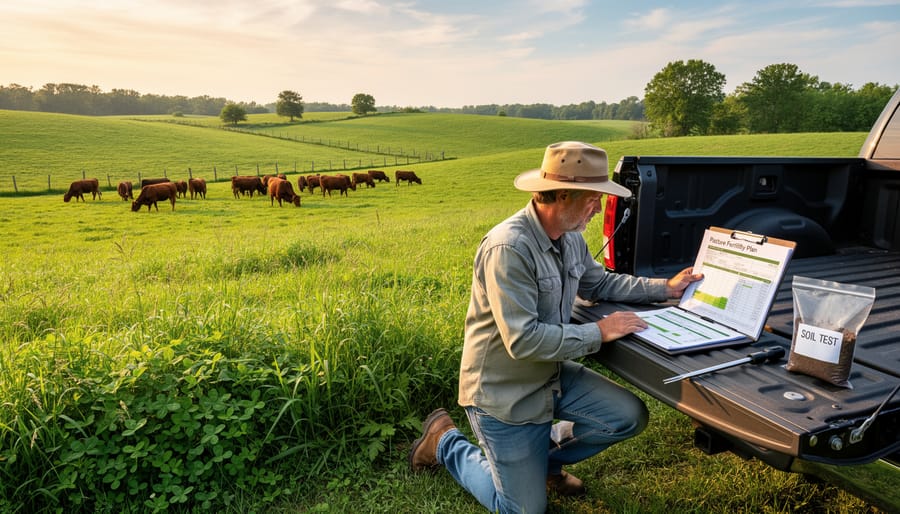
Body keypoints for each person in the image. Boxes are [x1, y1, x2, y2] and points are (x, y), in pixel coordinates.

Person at [408, 141, 703, 513]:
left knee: (627, 416)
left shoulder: (570, 237)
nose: (598, 208)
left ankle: (543, 463)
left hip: (550, 376)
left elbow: (601, 284)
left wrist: (664, 288)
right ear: (561, 195)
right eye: (593, 199)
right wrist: (600, 331)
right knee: (525, 510)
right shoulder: (509, 248)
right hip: (504, 396)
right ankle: (445, 443)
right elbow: (523, 340)